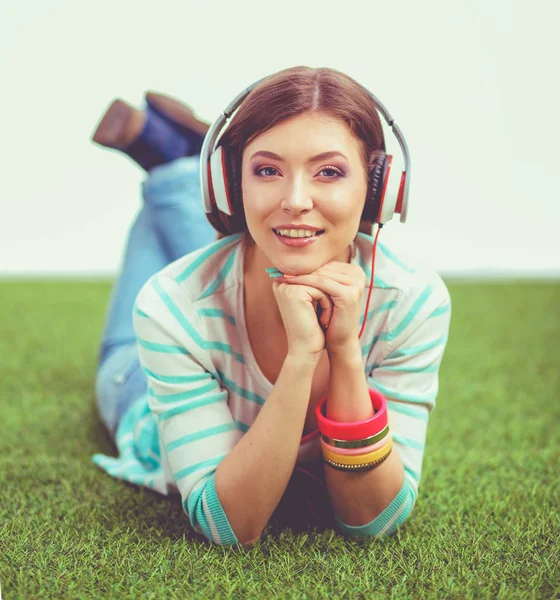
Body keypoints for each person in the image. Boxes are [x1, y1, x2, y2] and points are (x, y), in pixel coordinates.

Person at [91, 65, 452, 547]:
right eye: (266, 170)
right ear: (230, 185)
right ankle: (171, 168)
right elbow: (230, 525)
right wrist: (302, 356)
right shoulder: (168, 305)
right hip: (133, 384)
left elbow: (373, 521)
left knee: (254, 238)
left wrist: (344, 350)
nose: (296, 199)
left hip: (226, 278)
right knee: (150, 319)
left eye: (329, 171)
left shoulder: (413, 300)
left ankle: (168, 161)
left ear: (379, 188)